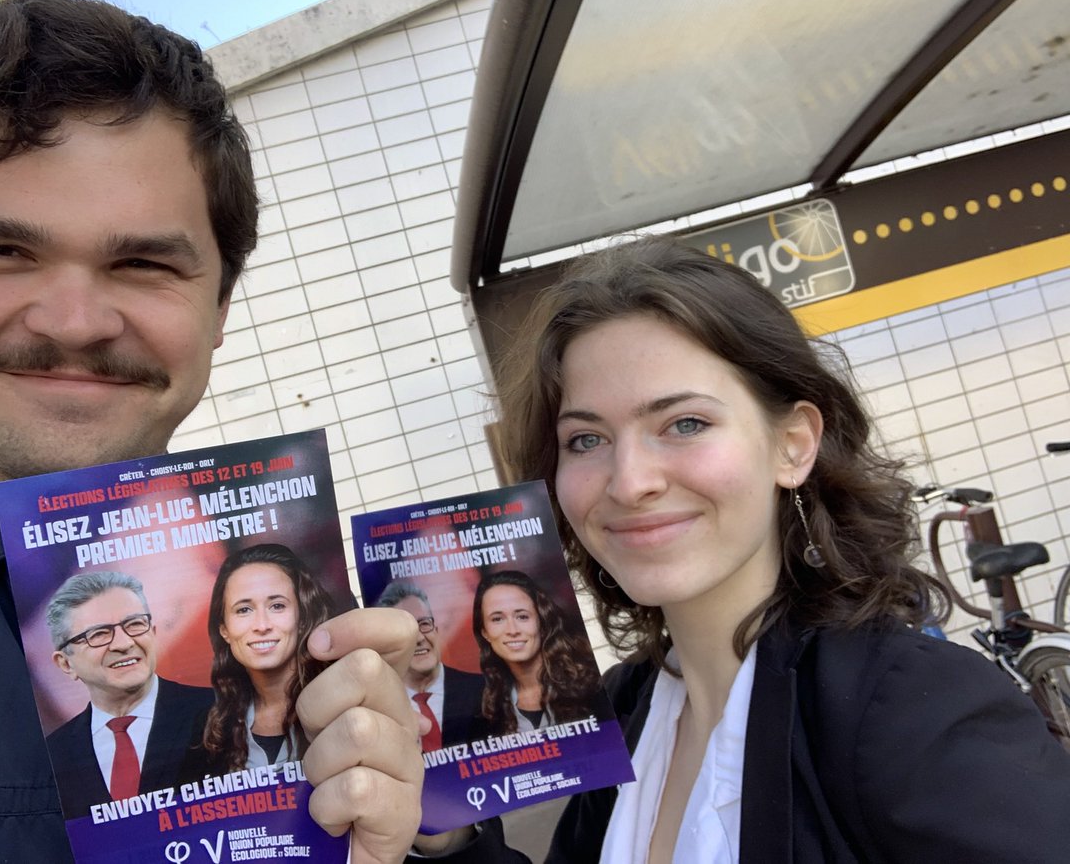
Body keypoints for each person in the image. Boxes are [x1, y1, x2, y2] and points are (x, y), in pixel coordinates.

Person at [0, 0, 422, 864]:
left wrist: (421, 839)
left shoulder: (295, 611)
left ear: (220, 307)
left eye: (141, 262)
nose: (73, 321)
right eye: (3, 250)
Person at [410, 238, 1070, 862]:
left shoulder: (907, 708)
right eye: (585, 440)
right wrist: (437, 828)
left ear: (793, 444)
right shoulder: (626, 707)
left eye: (685, 424)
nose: (631, 481)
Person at [44, 571, 213, 820]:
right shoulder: (52, 756)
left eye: (134, 624)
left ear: (152, 633)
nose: (123, 643)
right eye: (98, 634)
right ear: (66, 664)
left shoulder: (223, 712)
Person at [185, 544, 336, 775]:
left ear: (303, 618)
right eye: (244, 610)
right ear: (224, 629)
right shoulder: (211, 727)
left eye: (277, 606)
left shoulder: (338, 701)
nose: (262, 625)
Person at [471, 569, 602, 735]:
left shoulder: (592, 685)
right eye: (497, 619)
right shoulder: (487, 709)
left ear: (542, 621)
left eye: (522, 617)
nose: (512, 630)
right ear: (485, 632)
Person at [376, 579, 486, 749]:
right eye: (406, 631)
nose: (420, 638)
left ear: (436, 630)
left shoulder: (483, 690)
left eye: (424, 624)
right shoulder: (380, 712)